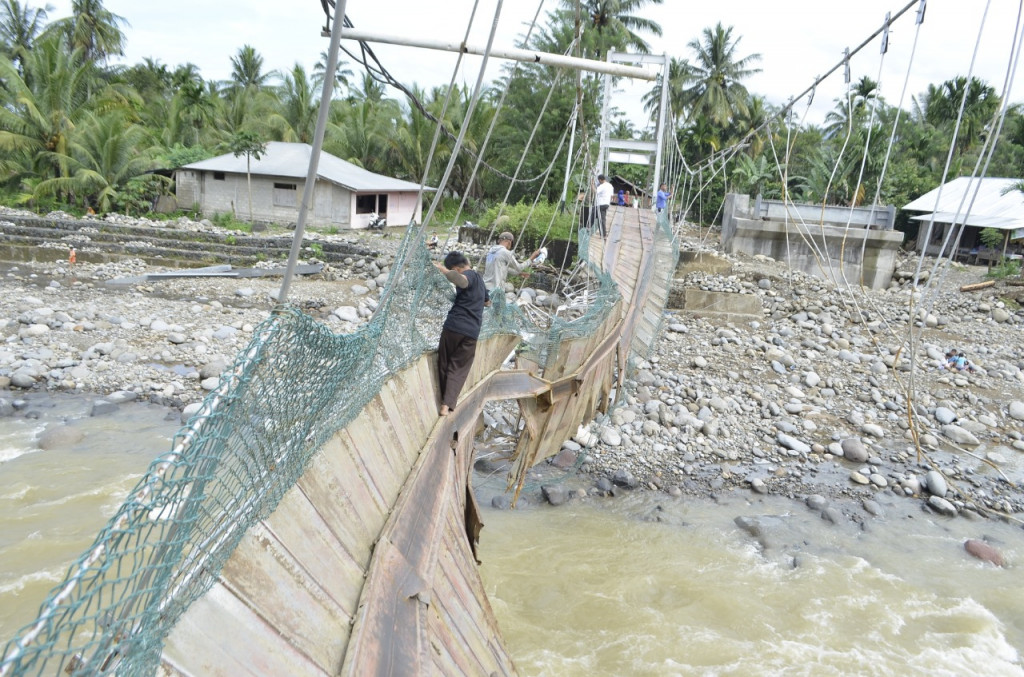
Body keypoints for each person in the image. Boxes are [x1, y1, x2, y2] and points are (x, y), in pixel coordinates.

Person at [434, 251, 489, 416]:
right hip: (472, 332)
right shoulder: (480, 280)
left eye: (453, 271)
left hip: (454, 326)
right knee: (458, 368)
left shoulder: (469, 274)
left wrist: (443, 271)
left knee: (444, 363)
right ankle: (447, 404)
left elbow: (462, 282)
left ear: (457, 268)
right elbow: (488, 301)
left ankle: (444, 402)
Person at [482, 231, 540, 296]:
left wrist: (519, 273)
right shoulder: (505, 252)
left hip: (485, 287)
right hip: (496, 290)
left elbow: (503, 267)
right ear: (509, 242)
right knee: (498, 306)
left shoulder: (491, 251)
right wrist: (531, 258)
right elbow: (519, 267)